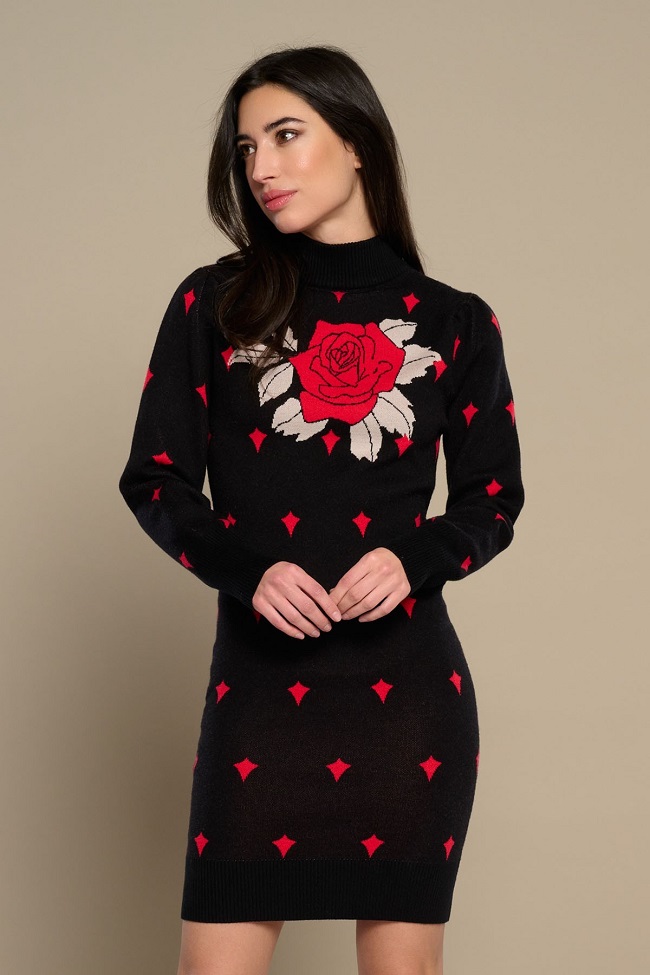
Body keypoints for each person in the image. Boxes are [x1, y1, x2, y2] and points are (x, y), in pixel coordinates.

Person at [118, 44, 524, 975]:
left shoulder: (454, 322)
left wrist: (415, 558)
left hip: (409, 708)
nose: (260, 166)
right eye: (246, 148)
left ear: (358, 143)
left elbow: (494, 499)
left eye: (285, 135)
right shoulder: (215, 304)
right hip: (257, 701)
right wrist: (247, 569)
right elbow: (156, 478)